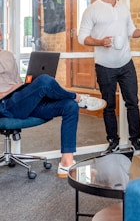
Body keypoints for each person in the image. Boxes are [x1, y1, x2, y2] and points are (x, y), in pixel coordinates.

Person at [0, 28, 106, 178]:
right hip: (5, 105)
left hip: (20, 99)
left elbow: (17, 81)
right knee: (44, 81)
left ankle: (66, 163)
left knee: (69, 106)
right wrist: (7, 91)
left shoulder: (7, 56)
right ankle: (78, 97)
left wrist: (25, 86)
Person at [78, 0, 140, 154]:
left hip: (126, 64)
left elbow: (131, 31)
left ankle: (135, 140)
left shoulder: (123, 9)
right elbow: (82, 37)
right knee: (109, 105)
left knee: (132, 102)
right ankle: (113, 141)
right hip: (105, 66)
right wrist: (100, 41)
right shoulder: (93, 10)